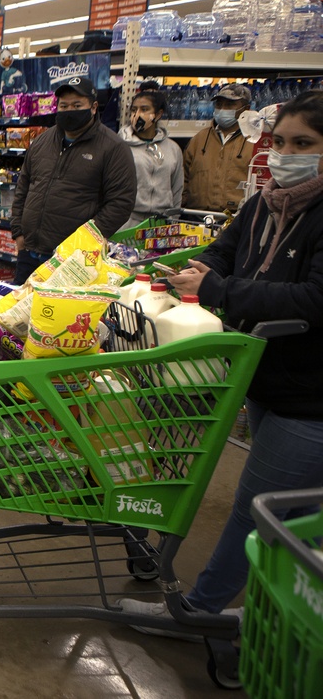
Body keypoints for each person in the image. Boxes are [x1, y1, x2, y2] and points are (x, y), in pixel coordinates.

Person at [121, 90, 323, 632]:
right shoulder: (263, 204)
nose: (285, 154)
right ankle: (287, 622)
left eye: (303, 144)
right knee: (300, 516)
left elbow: (314, 299)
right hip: (266, 376)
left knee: (259, 508)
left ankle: (200, 614)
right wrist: (184, 272)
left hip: (311, 396)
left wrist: (218, 289)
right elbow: (221, 254)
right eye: (279, 142)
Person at [10, 76, 136, 284]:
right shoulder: (42, 141)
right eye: (64, 106)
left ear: (93, 107)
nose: (69, 111)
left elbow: (121, 202)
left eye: (77, 106)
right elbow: (23, 187)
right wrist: (18, 232)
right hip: (30, 254)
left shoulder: (113, 148)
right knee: (21, 304)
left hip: (74, 261)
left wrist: (84, 242)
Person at [183, 83, 256, 213]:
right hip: (197, 215)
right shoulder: (200, 139)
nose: (222, 109)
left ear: (246, 109)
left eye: (230, 105)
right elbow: (183, 177)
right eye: (219, 104)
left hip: (238, 216)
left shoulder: (254, 140)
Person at [119, 88, 184, 227]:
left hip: (161, 223)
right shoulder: (120, 146)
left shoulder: (173, 149)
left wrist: (173, 220)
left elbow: (177, 189)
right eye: (134, 110)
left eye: (144, 109)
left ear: (158, 114)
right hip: (127, 221)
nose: (137, 114)